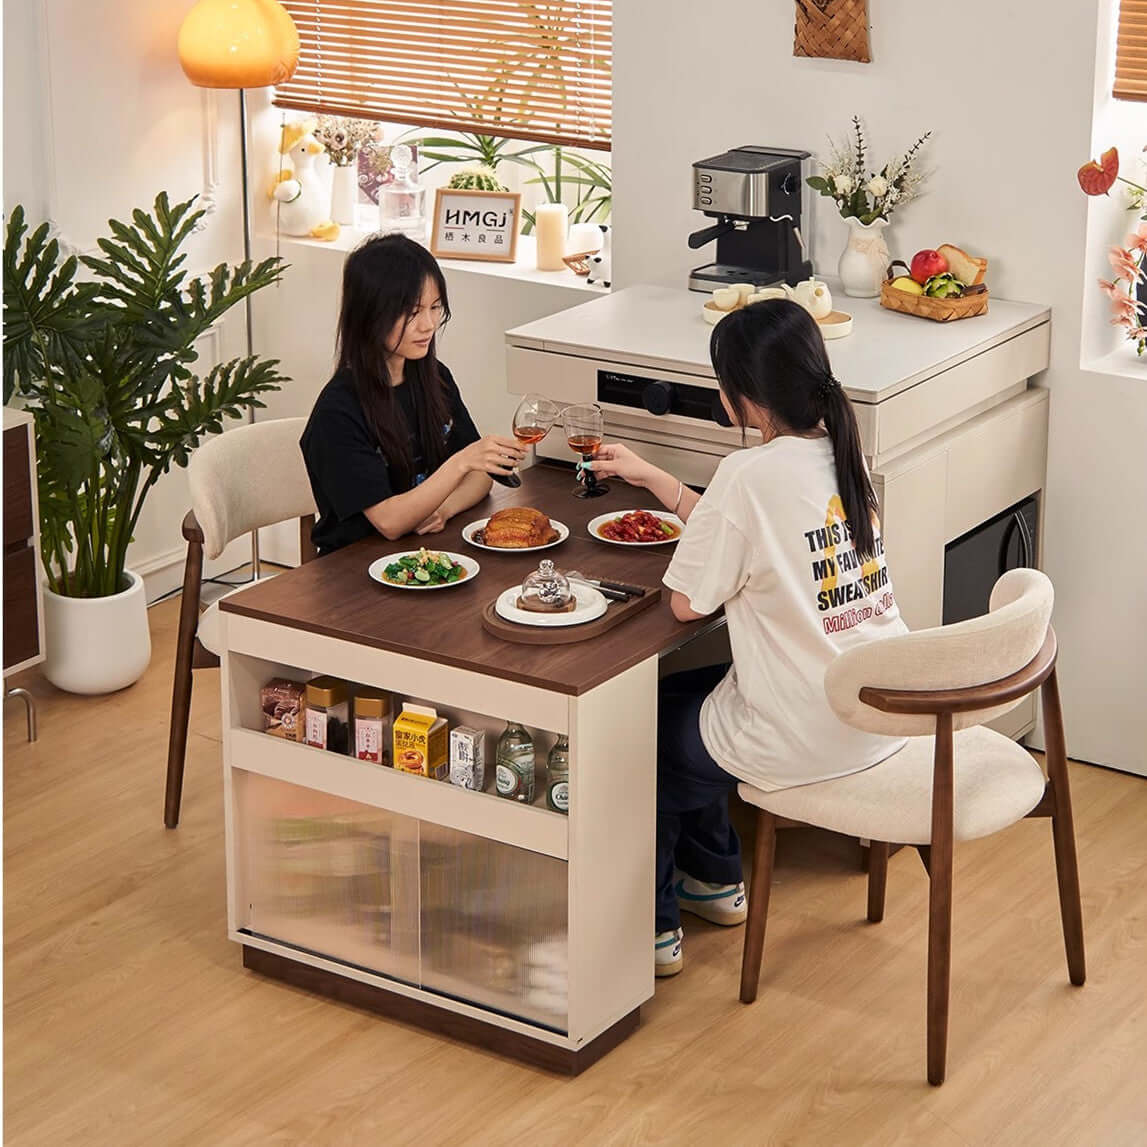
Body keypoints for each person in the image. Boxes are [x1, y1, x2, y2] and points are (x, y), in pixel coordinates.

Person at [587, 299, 910, 978]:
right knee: (683, 697)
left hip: (805, 732)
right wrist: (657, 481)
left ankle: (648, 928)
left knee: (638, 727)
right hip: (878, 709)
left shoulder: (747, 476)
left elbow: (682, 604)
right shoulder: (842, 454)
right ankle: (714, 880)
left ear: (739, 396)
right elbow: (756, 528)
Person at [300, 234, 526, 553]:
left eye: (435, 308)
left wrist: (445, 509)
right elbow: (390, 522)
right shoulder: (338, 412)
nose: (429, 324)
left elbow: (481, 478)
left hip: (424, 552)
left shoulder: (434, 377)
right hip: (353, 572)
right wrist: (461, 462)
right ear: (369, 315)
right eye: (413, 312)